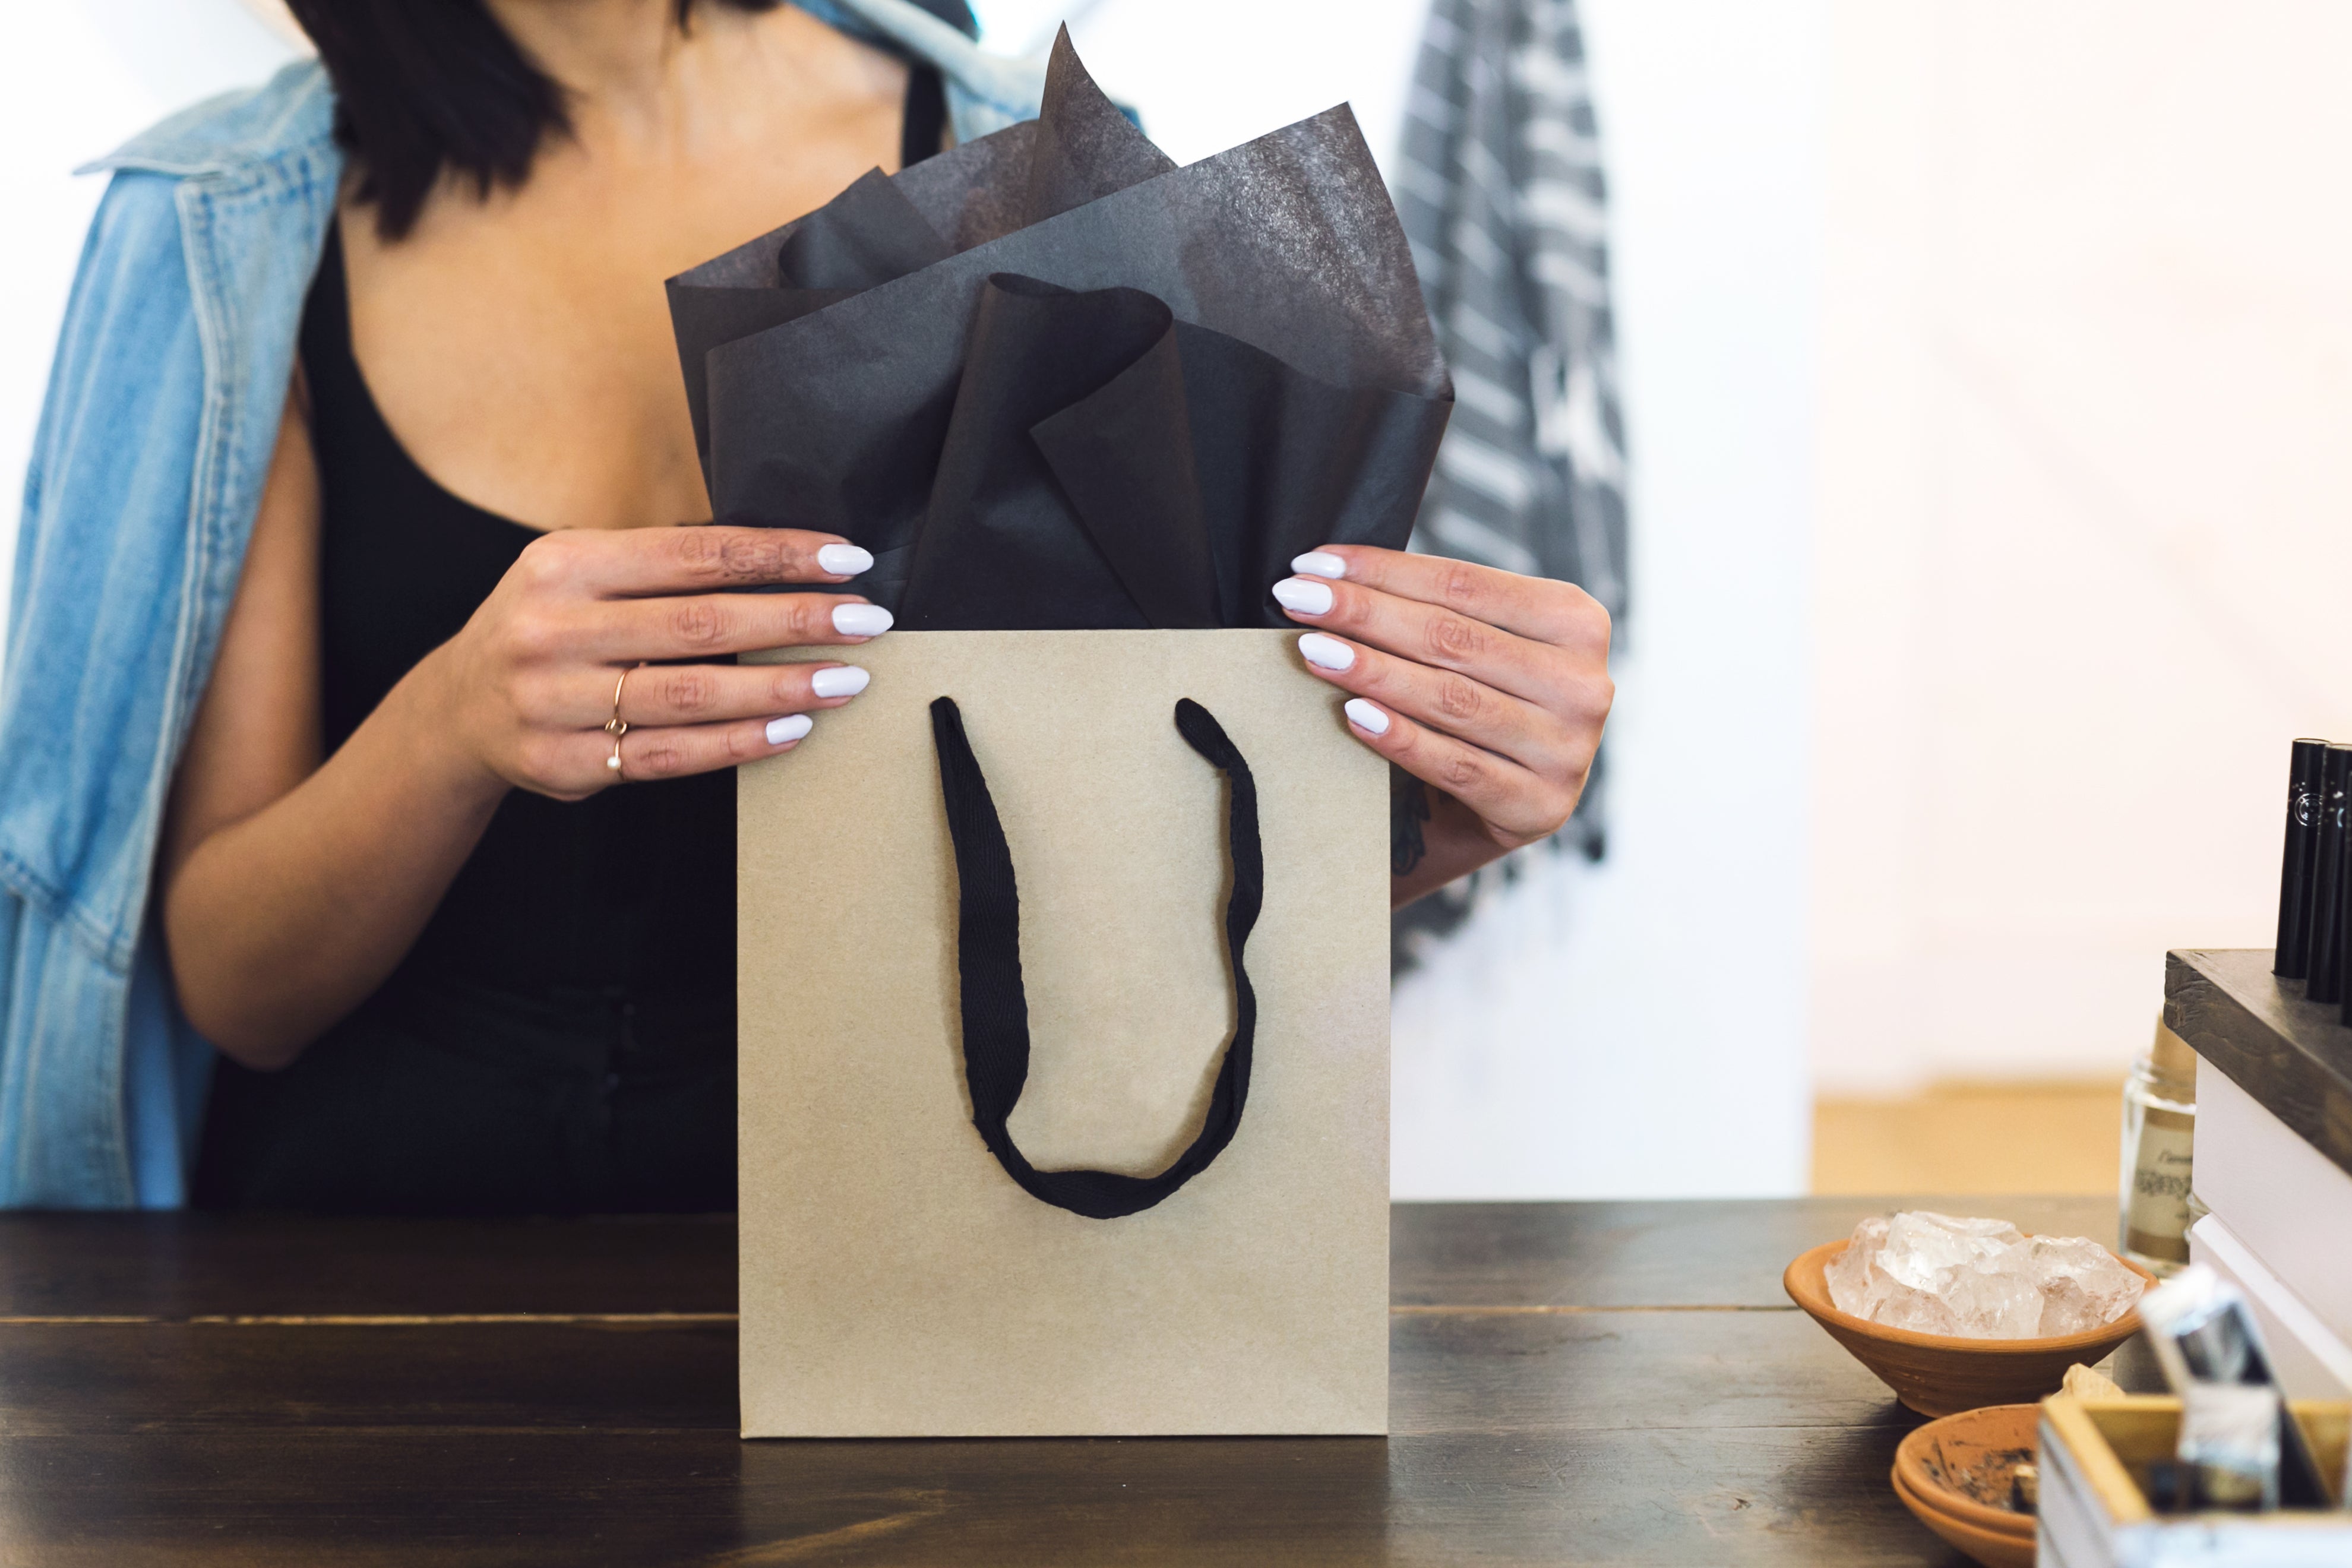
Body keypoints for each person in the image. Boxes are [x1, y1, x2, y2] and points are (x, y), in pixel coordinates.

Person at [0, 0, 1613, 1212]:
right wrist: (455, 722)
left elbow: (1150, 877)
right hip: (362, 1280)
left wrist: (1430, 816)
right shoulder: (233, 224)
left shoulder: (1032, 165)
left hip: (910, 1240)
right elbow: (234, 994)